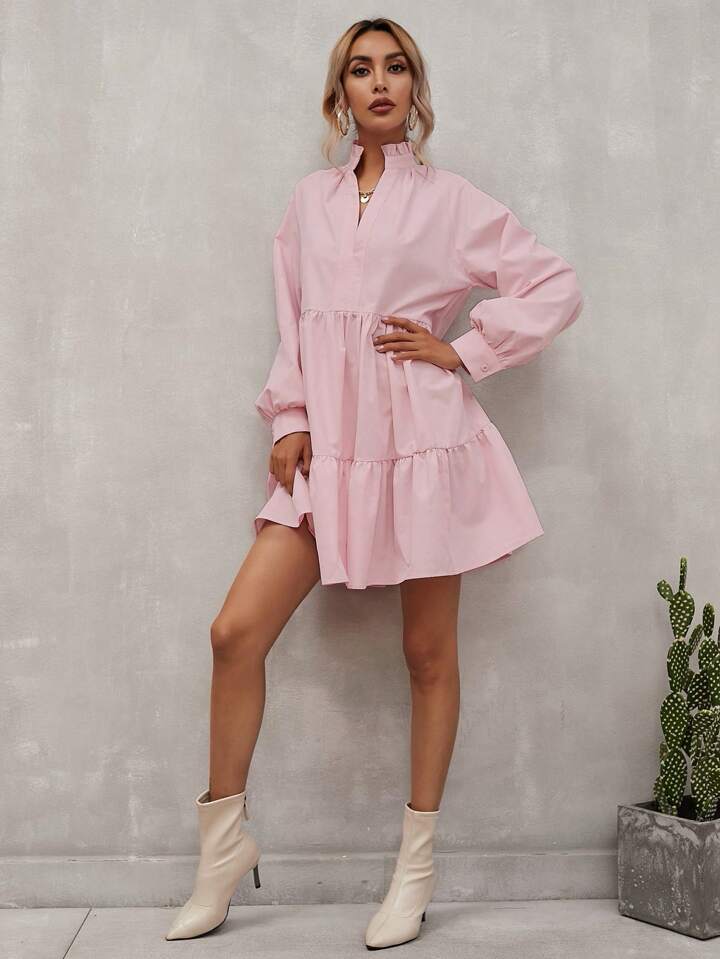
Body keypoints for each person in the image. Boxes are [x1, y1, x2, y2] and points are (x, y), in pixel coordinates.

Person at [165, 16, 584, 950]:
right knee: (234, 633)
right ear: (341, 94)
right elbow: (296, 322)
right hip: (328, 454)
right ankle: (222, 851)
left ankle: (414, 868)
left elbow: (554, 284)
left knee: (427, 655)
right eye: (362, 69)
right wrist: (291, 416)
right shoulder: (308, 204)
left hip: (424, 448)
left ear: (414, 90)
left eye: (396, 68)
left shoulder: (450, 202)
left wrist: (464, 349)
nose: (380, 82)